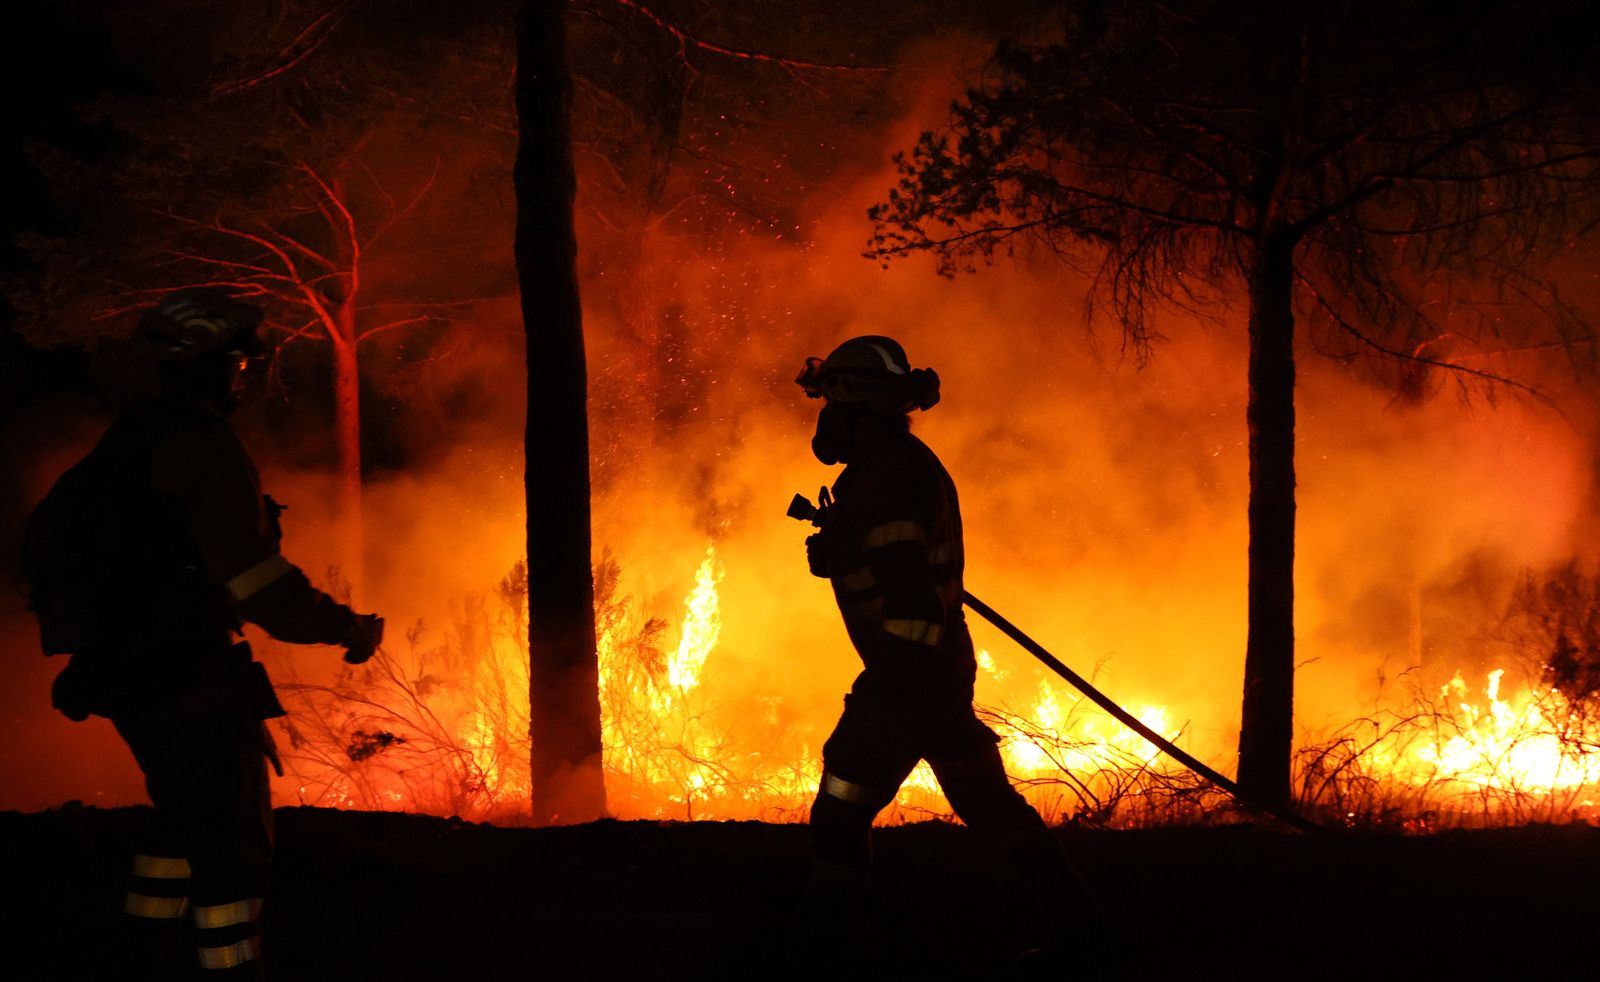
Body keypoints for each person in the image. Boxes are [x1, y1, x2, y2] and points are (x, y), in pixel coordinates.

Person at [26, 288, 384, 979]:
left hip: (132, 672)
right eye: (237, 366)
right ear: (204, 367)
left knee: (179, 823)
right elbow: (255, 580)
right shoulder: (199, 444)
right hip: (183, 674)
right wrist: (346, 628)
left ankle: (137, 957)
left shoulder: (134, 438)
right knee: (233, 847)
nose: (242, 378)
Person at [795, 335, 1101, 965]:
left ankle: (820, 950)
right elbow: (899, 569)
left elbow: (910, 603)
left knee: (839, 808)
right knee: (990, 806)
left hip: (910, 679)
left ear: (856, 409)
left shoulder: (886, 480)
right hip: (936, 674)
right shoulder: (893, 468)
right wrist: (843, 554)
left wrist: (888, 688)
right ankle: (1085, 933)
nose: (822, 423)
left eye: (828, 406)